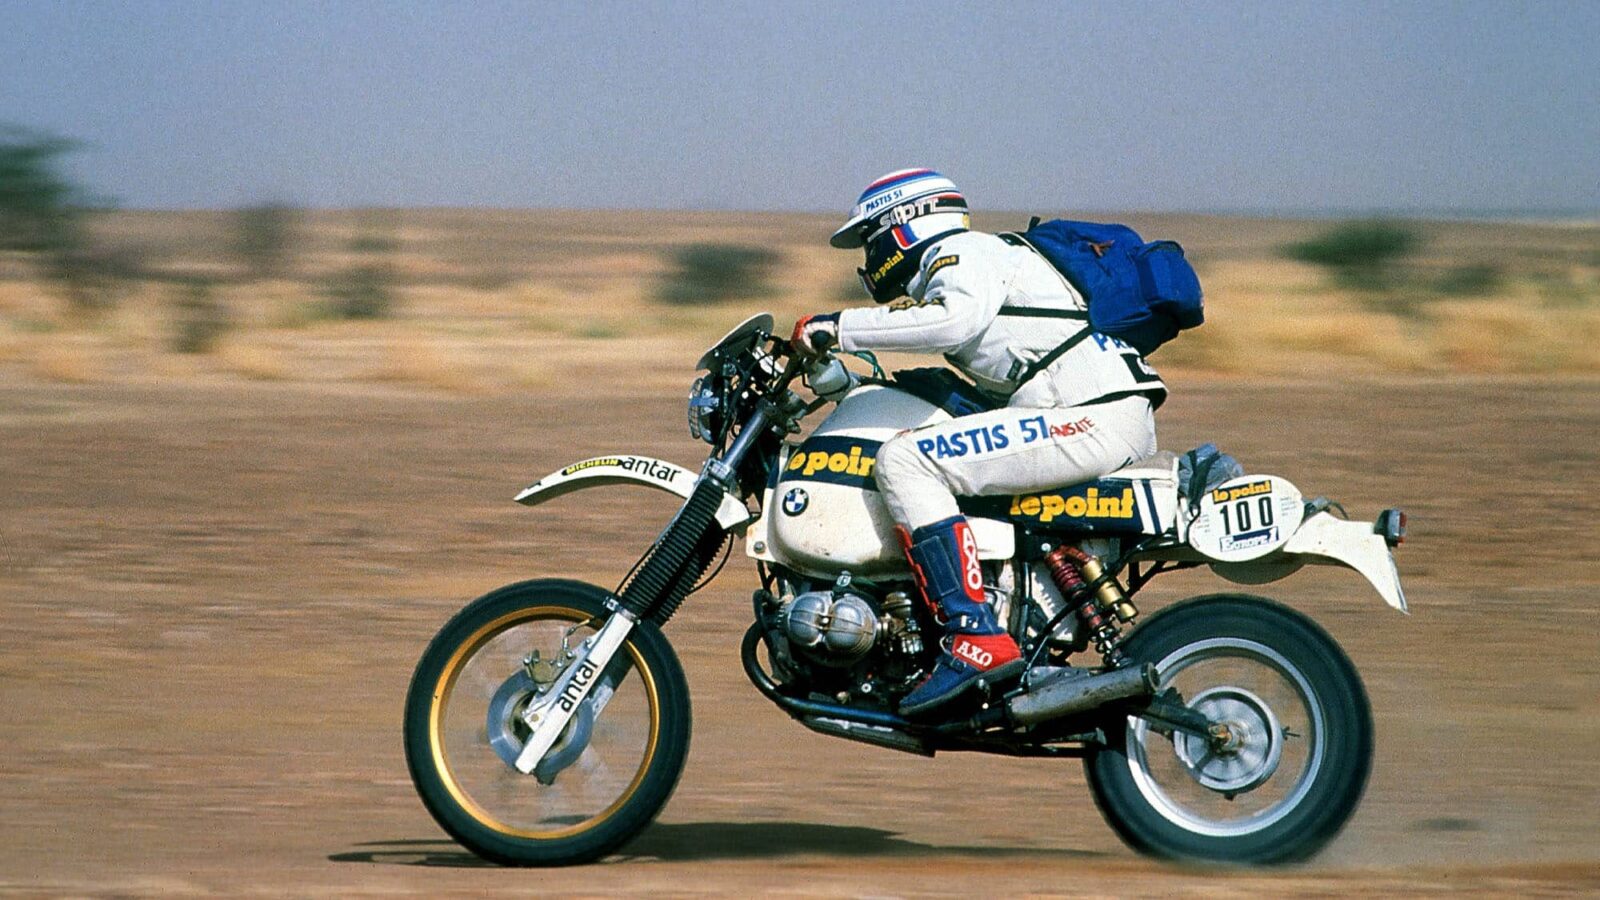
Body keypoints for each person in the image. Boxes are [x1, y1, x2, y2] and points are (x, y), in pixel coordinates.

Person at [792, 169, 1166, 717]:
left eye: (871, 239)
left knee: (906, 460)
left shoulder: (963, 253)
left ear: (903, 225)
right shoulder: (980, 264)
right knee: (924, 444)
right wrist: (843, 384)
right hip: (1092, 414)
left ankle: (973, 636)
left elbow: (951, 323)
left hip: (1090, 417)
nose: (869, 258)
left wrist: (837, 326)